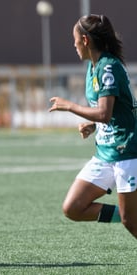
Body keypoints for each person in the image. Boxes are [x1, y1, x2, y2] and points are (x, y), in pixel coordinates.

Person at [49, 15, 137, 238]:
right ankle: (131, 214)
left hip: (127, 154)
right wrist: (93, 125)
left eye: (75, 39)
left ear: (85, 40)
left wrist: (69, 106)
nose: (74, 44)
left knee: (131, 224)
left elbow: (105, 114)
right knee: (73, 207)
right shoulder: (93, 67)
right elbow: (112, 113)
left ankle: (131, 215)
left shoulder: (108, 68)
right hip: (105, 155)